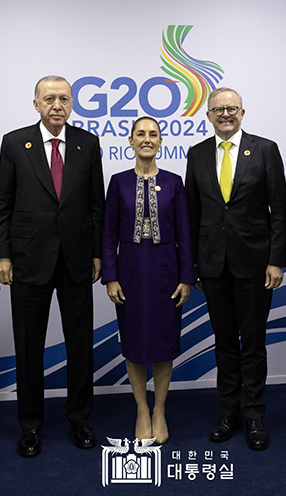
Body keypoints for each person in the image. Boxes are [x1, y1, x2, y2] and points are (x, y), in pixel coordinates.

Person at [0, 75, 104, 457]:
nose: (57, 105)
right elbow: (2, 205)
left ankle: (80, 418)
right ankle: (30, 425)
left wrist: (96, 252)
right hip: (27, 260)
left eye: (64, 99)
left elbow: (95, 204)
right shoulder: (14, 142)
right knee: (28, 347)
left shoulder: (87, 143)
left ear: (72, 104)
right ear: (36, 104)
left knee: (80, 346)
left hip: (75, 260)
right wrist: (2, 254)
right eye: (49, 99)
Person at [185, 87, 286, 451]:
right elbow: (192, 214)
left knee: (254, 343)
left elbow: (280, 210)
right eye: (218, 110)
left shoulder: (265, 149)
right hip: (213, 266)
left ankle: (254, 414)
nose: (225, 114)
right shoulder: (196, 154)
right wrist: (194, 265)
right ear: (209, 116)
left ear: (242, 112)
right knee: (225, 343)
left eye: (231, 109)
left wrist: (277, 260)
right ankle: (228, 412)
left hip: (256, 265)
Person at [102, 116, 194, 444]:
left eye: (153, 134)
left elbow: (185, 234)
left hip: (166, 271)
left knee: (163, 342)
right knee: (135, 342)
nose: (147, 139)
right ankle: (141, 408)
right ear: (130, 140)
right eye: (140, 134)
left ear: (160, 141)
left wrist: (186, 277)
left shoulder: (173, 182)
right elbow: (108, 234)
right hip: (129, 272)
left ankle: (160, 409)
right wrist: (110, 277)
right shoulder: (118, 182)